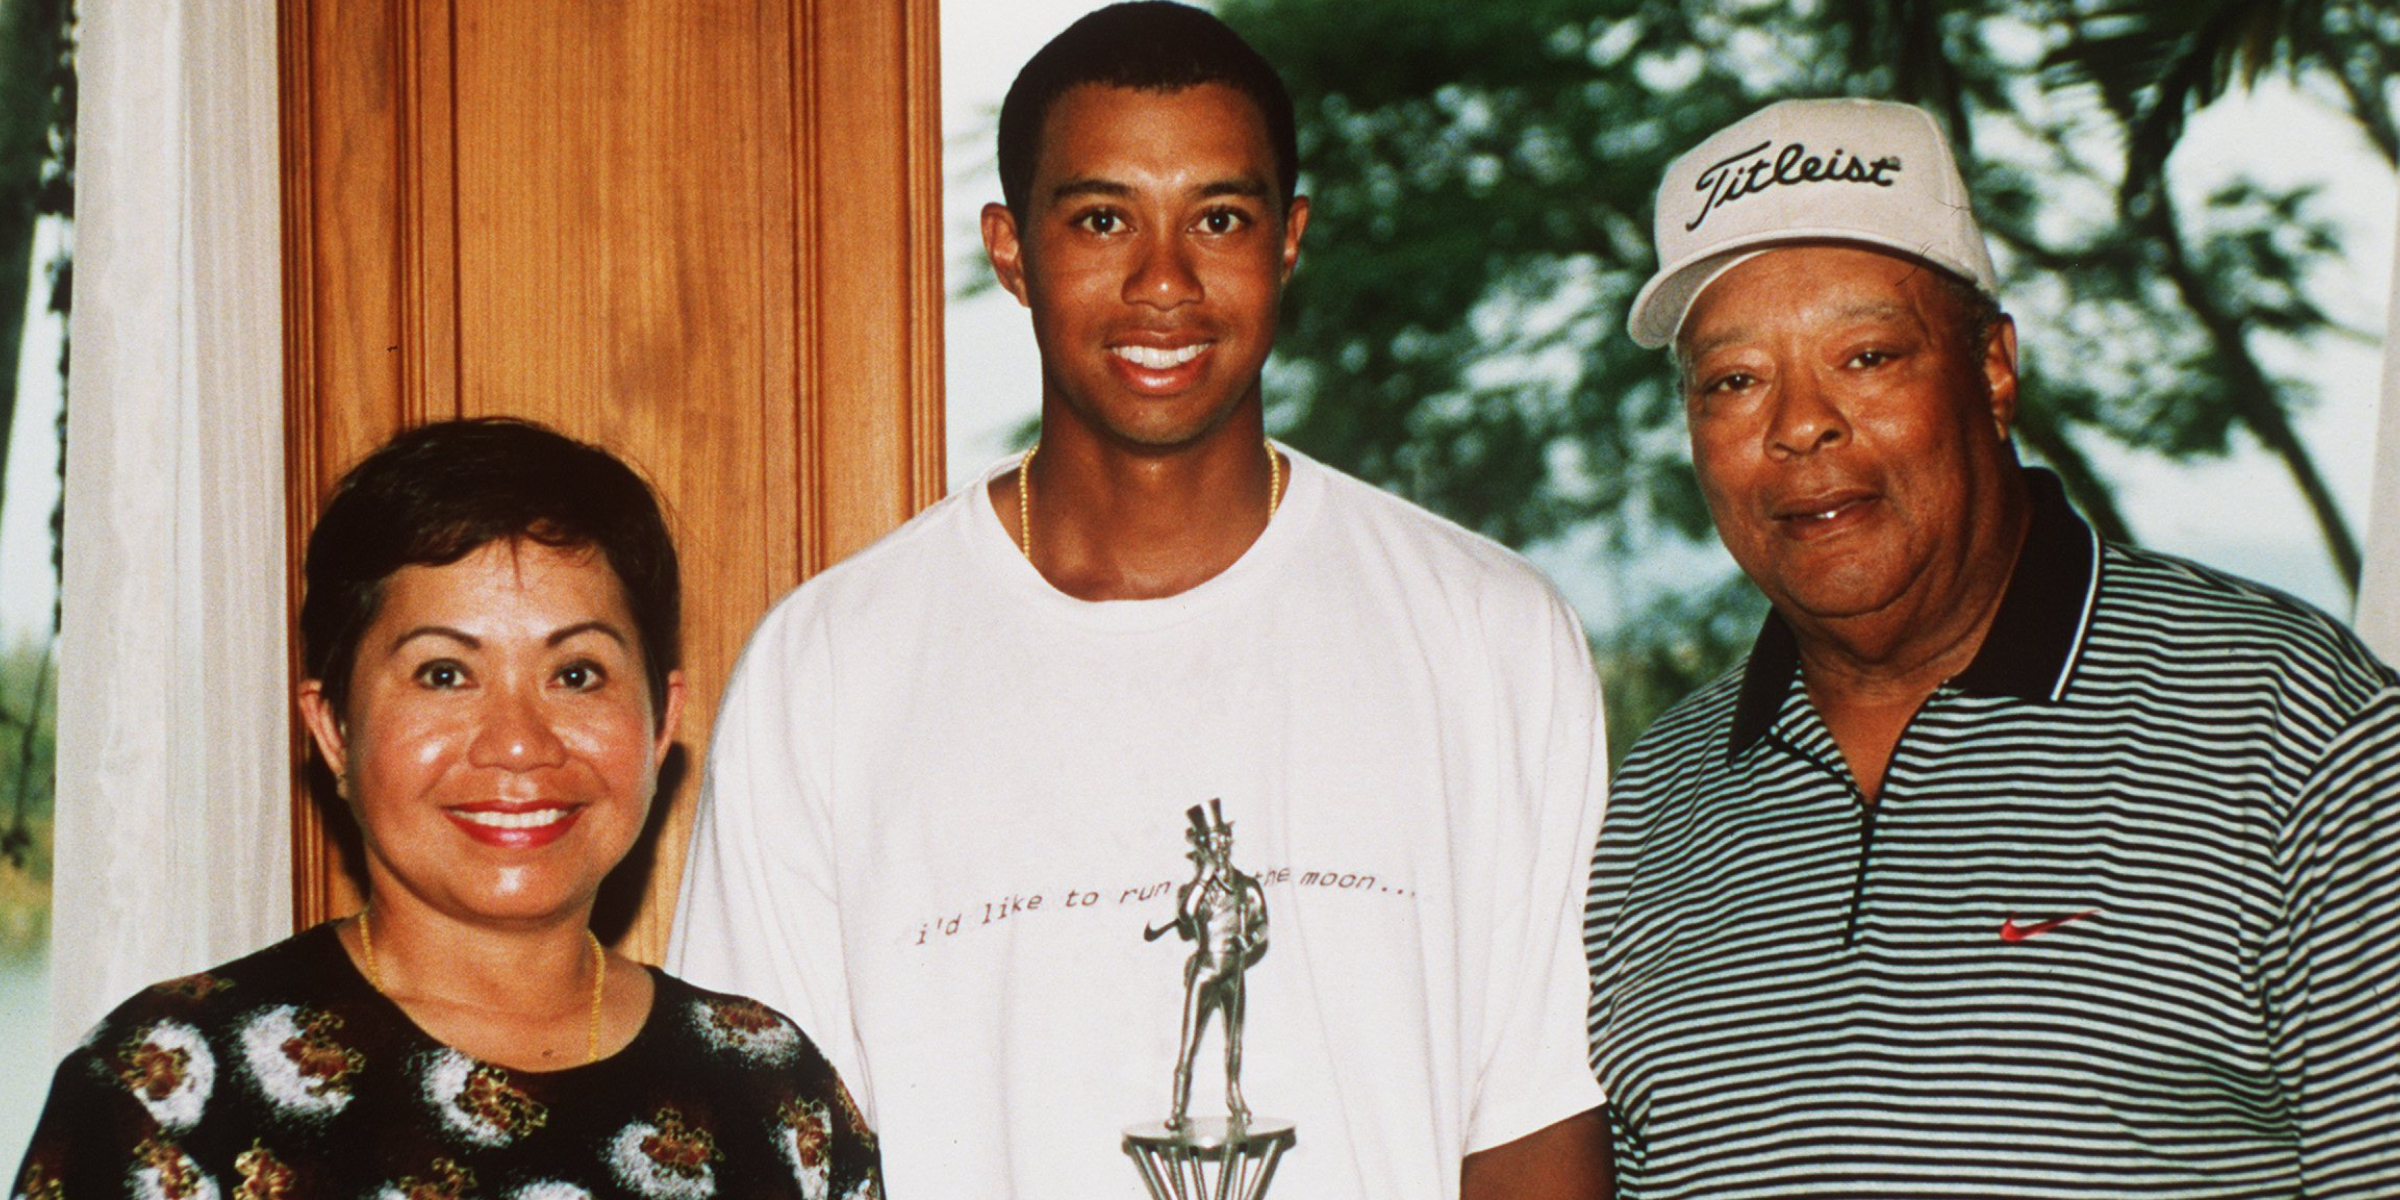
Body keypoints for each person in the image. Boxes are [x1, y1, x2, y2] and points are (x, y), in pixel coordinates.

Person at [668, 4, 1612, 1197]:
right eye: (1103, 219)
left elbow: (1535, 1121)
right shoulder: (831, 667)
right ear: (1012, 250)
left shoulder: (1487, 634)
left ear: (1289, 241)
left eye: (1218, 218)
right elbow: (765, 1149)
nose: (1164, 281)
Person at [1584, 97, 2400, 1197]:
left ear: (1995, 371)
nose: (1800, 424)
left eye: (1866, 356)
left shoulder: (2296, 726)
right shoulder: (1653, 802)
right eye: (1735, 380)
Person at [12, 419, 881, 1200]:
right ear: (333, 729)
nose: (517, 742)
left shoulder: (770, 1088)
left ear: (661, 724)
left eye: (575, 674)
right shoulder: (169, 1088)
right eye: (444, 673)